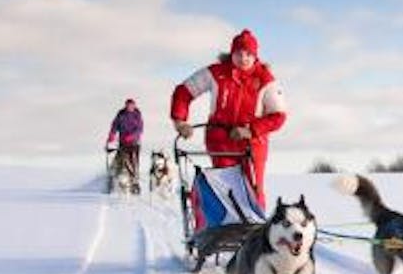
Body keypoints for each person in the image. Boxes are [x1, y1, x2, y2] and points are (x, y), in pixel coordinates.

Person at [169, 29, 287, 207]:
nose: (243, 58)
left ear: (255, 56)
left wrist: (250, 130)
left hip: (253, 144)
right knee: (227, 189)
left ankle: (256, 229)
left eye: (249, 54)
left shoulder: (266, 80)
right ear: (232, 53)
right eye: (239, 53)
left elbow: (278, 116)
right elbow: (183, 92)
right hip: (221, 141)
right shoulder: (216, 73)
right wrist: (180, 121)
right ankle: (226, 230)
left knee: (253, 190)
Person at [106, 98, 144, 191]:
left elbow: (139, 129)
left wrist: (132, 136)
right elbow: (115, 125)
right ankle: (113, 178)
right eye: (128, 105)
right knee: (119, 159)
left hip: (134, 143)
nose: (129, 107)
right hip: (123, 142)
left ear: (134, 106)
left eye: (131, 105)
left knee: (133, 162)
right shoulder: (121, 114)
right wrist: (112, 135)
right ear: (125, 105)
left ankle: (134, 181)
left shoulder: (137, 115)